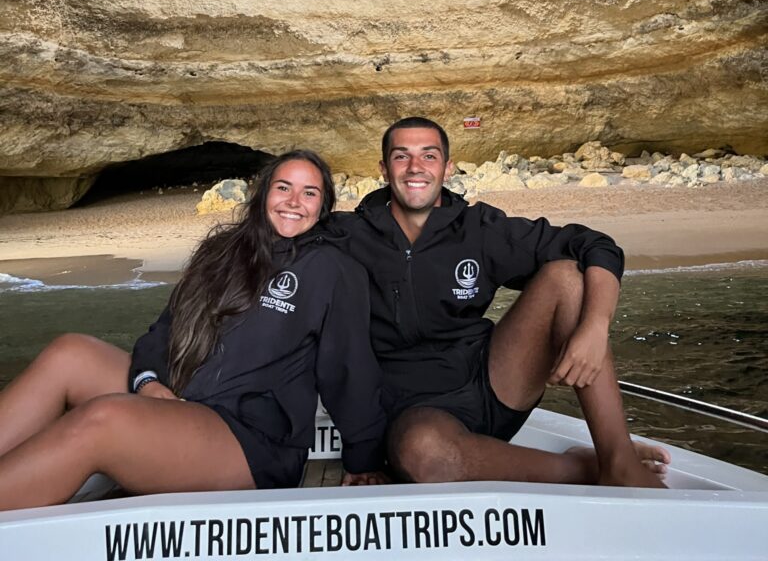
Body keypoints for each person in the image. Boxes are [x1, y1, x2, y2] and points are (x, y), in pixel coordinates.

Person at [0, 150, 387, 511]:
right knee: (71, 353)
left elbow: (348, 369)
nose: (293, 201)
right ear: (263, 194)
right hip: (183, 399)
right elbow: (164, 331)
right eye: (283, 187)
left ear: (323, 207)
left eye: (309, 192)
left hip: (248, 438)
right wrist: (147, 382)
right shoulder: (222, 251)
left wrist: (364, 458)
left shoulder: (334, 270)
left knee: (104, 419)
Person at [329, 117, 669, 487]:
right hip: (414, 413)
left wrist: (595, 327)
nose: (416, 168)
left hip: (494, 384)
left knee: (567, 276)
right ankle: (587, 469)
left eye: (429, 156)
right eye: (401, 157)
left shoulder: (479, 228)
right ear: (383, 169)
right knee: (426, 453)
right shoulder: (346, 236)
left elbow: (595, 245)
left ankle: (617, 457)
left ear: (447, 167)